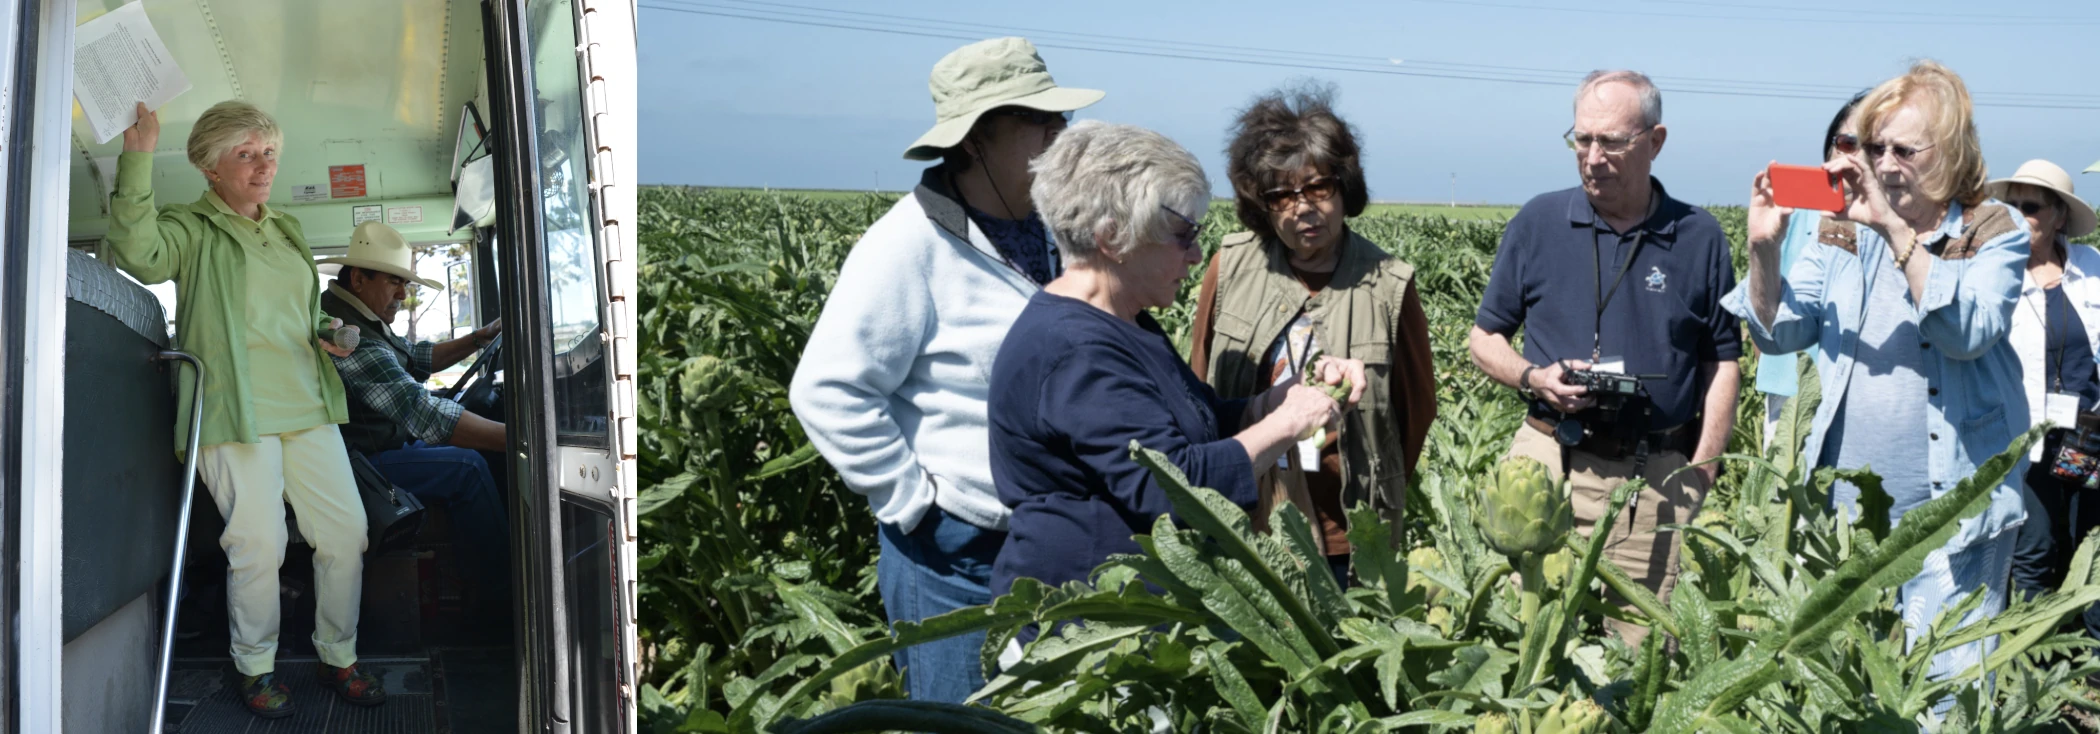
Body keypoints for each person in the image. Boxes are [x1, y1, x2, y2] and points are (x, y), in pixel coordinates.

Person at [787, 37, 1101, 704]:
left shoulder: (1057, 230)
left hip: (1056, 543)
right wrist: (915, 506)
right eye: (1039, 119)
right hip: (958, 554)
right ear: (978, 138)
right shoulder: (908, 245)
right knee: (961, 716)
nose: (1061, 131)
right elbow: (828, 389)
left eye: (1061, 116)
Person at [1726, 60, 2030, 684]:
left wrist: (1894, 230)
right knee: (1847, 687)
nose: (1883, 165)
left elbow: (1967, 334)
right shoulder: (1842, 227)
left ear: (1949, 153)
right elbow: (1781, 331)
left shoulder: (1994, 228)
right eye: (1873, 148)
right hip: (1843, 519)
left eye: (1902, 150)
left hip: (1952, 516)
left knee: (1945, 694)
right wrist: (1763, 250)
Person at [986, 120, 1365, 618]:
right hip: (1088, 624)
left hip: (1133, 615)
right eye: (1183, 235)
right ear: (1113, 237)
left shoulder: (1124, 320)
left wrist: (1280, 398)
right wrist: (1291, 423)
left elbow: (1195, 420)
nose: (1196, 255)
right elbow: (1171, 485)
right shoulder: (1076, 350)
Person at [107, 101, 383, 717]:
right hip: (236, 410)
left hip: (308, 405)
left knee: (347, 532)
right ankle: (255, 667)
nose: (264, 166)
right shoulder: (191, 228)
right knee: (260, 543)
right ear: (210, 167)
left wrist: (327, 331)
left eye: (269, 153)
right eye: (246, 154)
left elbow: (300, 313)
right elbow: (139, 253)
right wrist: (138, 154)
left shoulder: (286, 228)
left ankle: (338, 655)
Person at [1469, 70, 1742, 646]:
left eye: (1612, 142)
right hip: (1546, 467)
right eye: (1582, 139)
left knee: (1640, 652)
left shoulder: (1699, 237)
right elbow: (1483, 339)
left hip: (1653, 476)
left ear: (1655, 141)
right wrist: (1532, 377)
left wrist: (1703, 469)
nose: (1593, 158)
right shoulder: (1538, 222)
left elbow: (1722, 361)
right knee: (1528, 642)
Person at [1187, 85, 1437, 587]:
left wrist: (1377, 491)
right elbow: (1197, 383)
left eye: (1318, 188)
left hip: (1347, 531)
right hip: (1244, 518)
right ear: (1261, 204)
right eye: (1281, 195)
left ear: (1344, 188)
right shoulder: (1229, 267)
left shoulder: (1388, 285)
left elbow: (1416, 410)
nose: (1302, 208)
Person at [318, 221, 511, 627]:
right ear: (358, 279)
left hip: (373, 447)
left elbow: (416, 358)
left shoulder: (360, 317)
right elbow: (419, 411)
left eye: (404, 283)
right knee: (468, 467)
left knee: (467, 452)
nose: (403, 295)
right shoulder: (348, 334)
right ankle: (500, 605)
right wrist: (520, 439)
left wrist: (482, 336)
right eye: (394, 282)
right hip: (357, 462)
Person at [2000, 161, 2100, 630]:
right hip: (2028, 437)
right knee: (2035, 548)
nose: (2019, 215)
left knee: (2091, 544)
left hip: (2087, 435)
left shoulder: (2091, 267)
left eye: (2031, 207)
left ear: (2060, 216)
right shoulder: (1996, 273)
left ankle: (2090, 653)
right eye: (2012, 205)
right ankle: (2031, 655)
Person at [1757, 92, 1866, 447]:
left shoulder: (1896, 228)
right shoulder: (1794, 211)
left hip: (1860, 391)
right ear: (1830, 150)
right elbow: (1765, 296)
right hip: (1789, 388)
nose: (1856, 156)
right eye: (1847, 143)